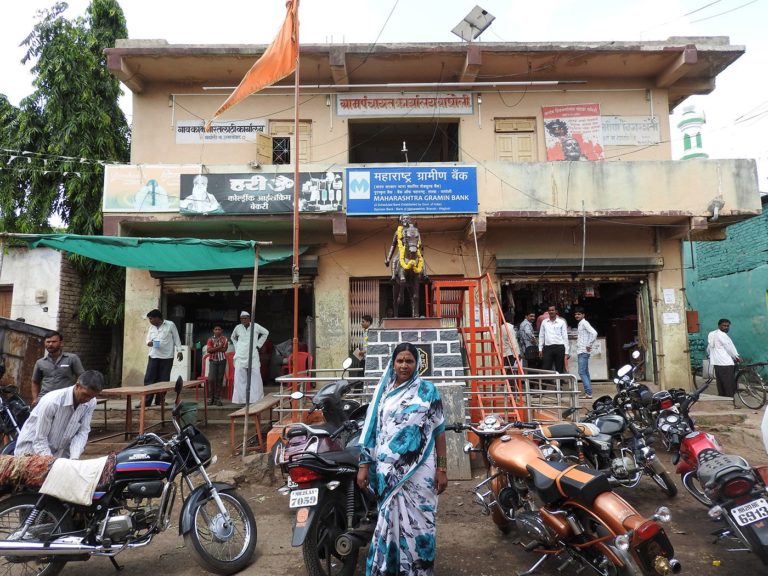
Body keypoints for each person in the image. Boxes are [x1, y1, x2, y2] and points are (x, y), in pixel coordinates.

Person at [358, 342, 447, 576]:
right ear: (393, 363)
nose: (404, 365)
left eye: (409, 360)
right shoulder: (384, 392)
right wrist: (364, 464)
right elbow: (373, 430)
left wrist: (442, 469)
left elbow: (439, 431)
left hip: (421, 470)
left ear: (417, 363)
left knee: (421, 522)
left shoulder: (428, 391)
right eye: (400, 361)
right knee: (387, 522)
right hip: (388, 470)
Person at [14, 370, 104, 459]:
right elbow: (40, 439)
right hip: (30, 451)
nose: (87, 399)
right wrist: (51, 463)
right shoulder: (52, 401)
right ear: (77, 386)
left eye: (92, 396)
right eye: (85, 395)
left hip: (58, 453)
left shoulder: (91, 402)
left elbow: (83, 432)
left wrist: (74, 458)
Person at [30, 331, 85, 407]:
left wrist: (76, 393)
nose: (50, 344)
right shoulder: (40, 362)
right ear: (44, 343)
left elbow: (81, 376)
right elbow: (35, 382)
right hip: (45, 399)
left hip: (65, 399)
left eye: (54, 342)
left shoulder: (72, 358)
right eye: (48, 342)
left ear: (61, 343)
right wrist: (35, 399)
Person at [143, 309, 183, 407]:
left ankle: (160, 400)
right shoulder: (151, 327)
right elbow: (147, 339)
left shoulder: (170, 325)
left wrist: (179, 351)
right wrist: (149, 343)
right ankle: (147, 401)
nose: (150, 321)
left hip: (167, 357)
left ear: (157, 318)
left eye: (151, 319)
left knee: (163, 380)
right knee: (149, 379)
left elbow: (176, 338)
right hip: (153, 355)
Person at [231, 311, 269, 404]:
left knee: (255, 376)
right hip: (240, 355)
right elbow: (233, 338)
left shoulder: (255, 326)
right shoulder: (238, 328)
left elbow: (266, 333)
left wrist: (258, 344)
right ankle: (241, 400)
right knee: (240, 378)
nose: (244, 320)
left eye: (245, 318)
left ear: (249, 318)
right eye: (242, 318)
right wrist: (237, 347)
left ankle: (256, 399)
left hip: (253, 355)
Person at [707, 318, 741, 398]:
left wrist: (710, 355)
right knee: (728, 384)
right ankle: (730, 402)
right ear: (719, 326)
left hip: (716, 363)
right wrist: (736, 357)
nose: (726, 327)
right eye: (724, 326)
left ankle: (722, 400)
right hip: (726, 363)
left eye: (727, 326)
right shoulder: (723, 335)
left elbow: (709, 347)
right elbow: (729, 348)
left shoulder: (711, 334)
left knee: (720, 383)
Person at [574, 307, 598, 399]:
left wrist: (589, 344)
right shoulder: (581, 324)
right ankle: (588, 392)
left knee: (581, 372)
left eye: (579, 314)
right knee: (585, 372)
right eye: (576, 314)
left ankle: (588, 393)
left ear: (583, 315)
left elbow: (594, 333)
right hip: (582, 351)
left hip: (583, 351)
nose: (577, 316)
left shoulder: (584, 323)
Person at [538, 305, 569, 373]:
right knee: (546, 367)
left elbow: (565, 337)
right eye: (549, 310)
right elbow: (541, 336)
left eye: (553, 310)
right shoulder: (544, 322)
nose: (551, 311)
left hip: (559, 347)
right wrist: (540, 349)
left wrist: (566, 352)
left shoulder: (561, 322)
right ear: (548, 312)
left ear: (556, 311)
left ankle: (559, 383)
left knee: (559, 368)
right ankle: (546, 383)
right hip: (548, 348)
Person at [205, 324, 229, 406]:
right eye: (216, 329)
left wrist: (214, 348)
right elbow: (209, 350)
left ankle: (217, 398)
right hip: (213, 361)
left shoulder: (225, 338)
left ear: (221, 330)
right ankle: (211, 398)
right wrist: (219, 347)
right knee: (211, 379)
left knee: (219, 379)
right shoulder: (210, 339)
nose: (217, 331)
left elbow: (224, 349)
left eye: (219, 329)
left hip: (222, 361)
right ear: (213, 330)